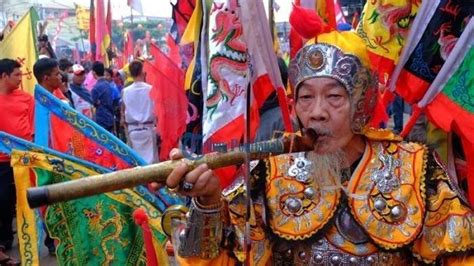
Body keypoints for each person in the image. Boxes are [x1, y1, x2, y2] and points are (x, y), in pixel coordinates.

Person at [162, 14, 474, 265]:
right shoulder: (269, 173)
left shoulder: (414, 168)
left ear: (361, 103)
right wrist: (207, 204)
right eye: (305, 97)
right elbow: (209, 258)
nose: (317, 113)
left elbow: (460, 254)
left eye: (335, 97)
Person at [0, 58, 31, 266]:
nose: (21, 78)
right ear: (3, 76)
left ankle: (35, 240)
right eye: (16, 75)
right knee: (2, 200)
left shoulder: (27, 99)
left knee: (27, 200)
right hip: (1, 161)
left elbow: (33, 128)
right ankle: (4, 242)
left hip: (24, 160)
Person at [121, 60, 158, 164]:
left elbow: (124, 111)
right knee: (151, 164)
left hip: (133, 131)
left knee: (136, 163)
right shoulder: (151, 89)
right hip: (148, 129)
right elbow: (156, 111)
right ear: (143, 72)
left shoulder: (125, 91)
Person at [91, 61, 115, 132]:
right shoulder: (109, 85)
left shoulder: (95, 88)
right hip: (110, 117)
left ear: (94, 73)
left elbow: (93, 103)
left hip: (101, 119)